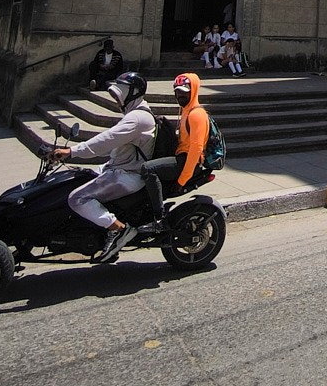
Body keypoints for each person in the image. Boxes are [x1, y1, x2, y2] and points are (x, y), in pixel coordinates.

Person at [51, 71, 155, 263]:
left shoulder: (138, 118)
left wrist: (72, 152)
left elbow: (106, 140)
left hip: (128, 176)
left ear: (132, 93)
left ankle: (118, 229)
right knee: (76, 177)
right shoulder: (134, 112)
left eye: (119, 94)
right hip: (116, 167)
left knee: (77, 198)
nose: (116, 99)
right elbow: (114, 147)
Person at [140, 71, 210, 230]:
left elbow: (196, 149)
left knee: (148, 169)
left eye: (184, 93)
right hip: (181, 157)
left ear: (193, 91)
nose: (180, 96)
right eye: (177, 92)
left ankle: (159, 219)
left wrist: (182, 180)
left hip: (187, 162)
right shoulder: (185, 110)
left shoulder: (196, 114)